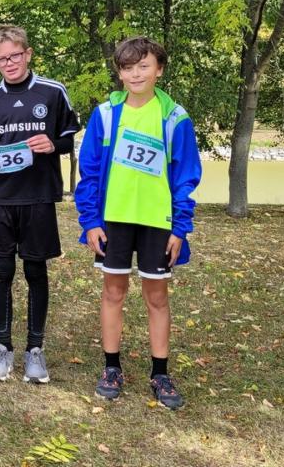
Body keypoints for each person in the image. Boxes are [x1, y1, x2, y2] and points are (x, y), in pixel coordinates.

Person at [74, 36, 201, 409]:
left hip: (157, 222)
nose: (135, 74)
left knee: (157, 297)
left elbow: (186, 176)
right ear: (119, 73)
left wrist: (180, 227)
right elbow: (89, 172)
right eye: (127, 68)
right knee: (113, 292)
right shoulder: (105, 115)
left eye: (143, 66)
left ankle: (160, 373)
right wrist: (91, 221)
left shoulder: (175, 118)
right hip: (113, 220)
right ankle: (111, 368)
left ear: (159, 70)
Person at [0, 25, 80, 383]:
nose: (10, 63)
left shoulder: (52, 92)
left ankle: (35, 350)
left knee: (35, 271)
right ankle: (3, 347)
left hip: (38, 196)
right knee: (2, 271)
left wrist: (53, 145)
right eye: (1, 59)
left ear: (28, 54)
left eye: (15, 55)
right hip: (1, 198)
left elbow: (68, 138)